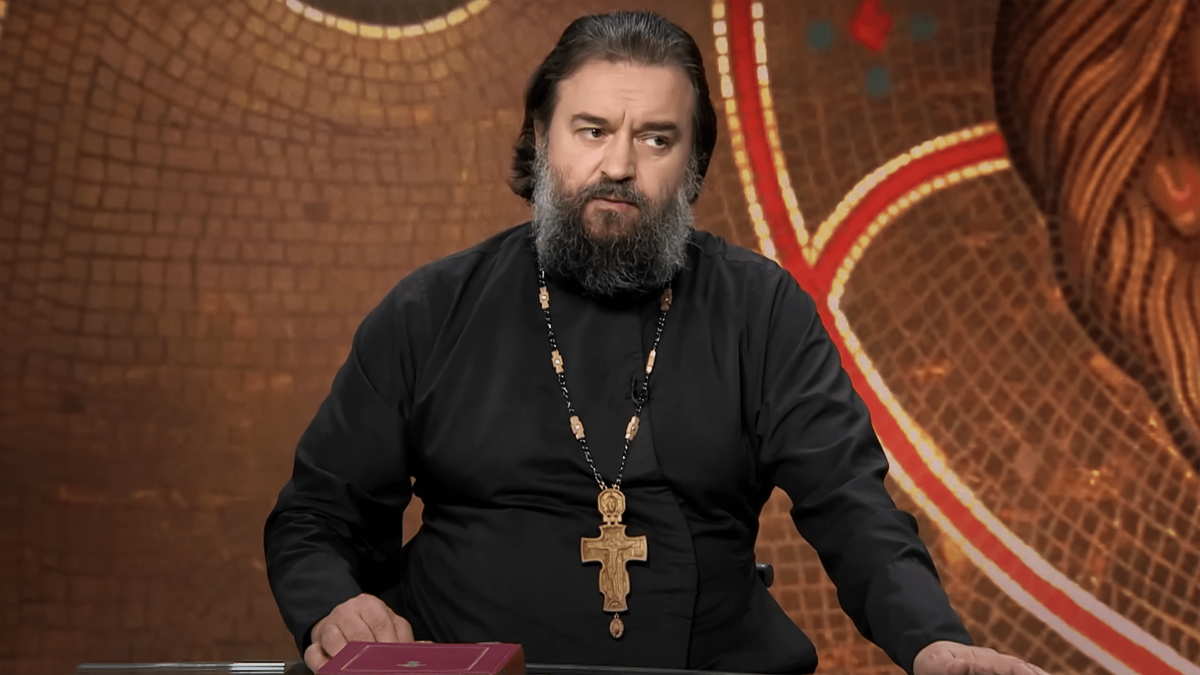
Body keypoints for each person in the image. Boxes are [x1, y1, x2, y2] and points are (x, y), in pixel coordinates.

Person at [264, 11, 1051, 675]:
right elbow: (317, 515)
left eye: (656, 138)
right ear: (540, 139)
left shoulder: (761, 310)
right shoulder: (432, 309)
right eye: (592, 130)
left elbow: (850, 504)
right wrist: (337, 604)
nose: (618, 164)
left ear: (693, 163)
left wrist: (931, 640)